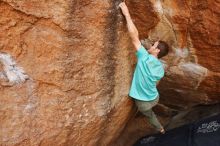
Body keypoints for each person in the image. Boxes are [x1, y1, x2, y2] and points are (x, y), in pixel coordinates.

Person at [119, 2, 169, 134]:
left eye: (153, 45)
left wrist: (127, 14)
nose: (151, 45)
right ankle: (161, 128)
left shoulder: (143, 57)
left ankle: (160, 129)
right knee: (150, 113)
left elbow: (134, 36)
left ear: (157, 51)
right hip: (154, 98)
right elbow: (156, 81)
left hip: (143, 103)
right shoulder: (160, 69)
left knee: (149, 115)